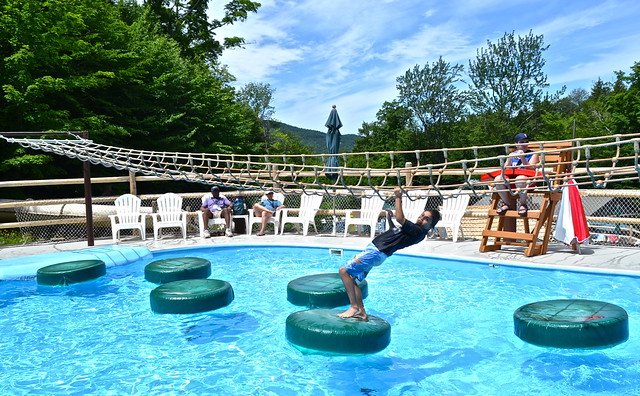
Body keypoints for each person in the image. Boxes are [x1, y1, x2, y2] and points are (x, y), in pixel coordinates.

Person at [338, 187, 441, 320]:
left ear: (431, 225)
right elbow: (395, 230)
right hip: (377, 253)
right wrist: (389, 218)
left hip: (375, 252)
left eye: (426, 219)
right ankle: (361, 311)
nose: (421, 218)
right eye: (422, 215)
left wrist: (398, 197)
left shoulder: (418, 231)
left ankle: (353, 307)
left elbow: (400, 218)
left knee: (343, 271)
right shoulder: (414, 230)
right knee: (352, 279)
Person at [494, 133, 540, 217]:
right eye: (522, 142)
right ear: (516, 144)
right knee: (498, 179)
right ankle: (507, 204)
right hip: (512, 182)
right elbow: (504, 170)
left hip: (528, 182)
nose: (525, 144)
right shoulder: (512, 154)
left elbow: (532, 169)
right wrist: (509, 159)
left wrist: (522, 157)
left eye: (526, 142)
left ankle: (523, 204)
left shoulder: (533, 154)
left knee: (520, 178)